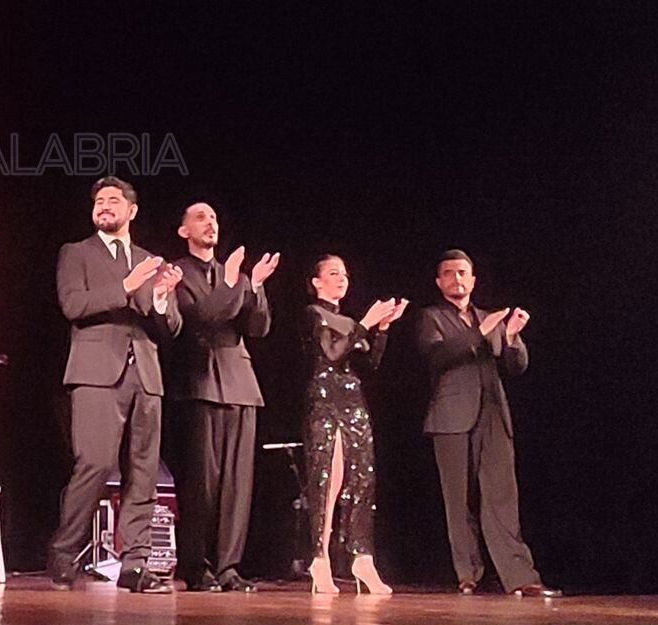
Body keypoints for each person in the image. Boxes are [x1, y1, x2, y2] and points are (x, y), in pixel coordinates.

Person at [47, 177, 182, 593]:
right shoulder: (76, 253)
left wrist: (160, 296)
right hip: (95, 372)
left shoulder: (150, 260)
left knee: (143, 472)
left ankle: (135, 563)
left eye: (113, 200)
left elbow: (171, 326)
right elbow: (74, 305)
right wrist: (126, 286)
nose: (104, 206)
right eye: (99, 201)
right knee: (96, 463)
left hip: (145, 373)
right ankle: (64, 552)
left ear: (132, 211)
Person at [418, 249, 557, 597]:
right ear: (439, 282)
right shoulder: (431, 318)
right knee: (458, 500)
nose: (457, 279)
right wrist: (481, 331)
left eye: (463, 273)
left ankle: (520, 576)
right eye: (449, 273)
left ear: (474, 279)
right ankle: (468, 574)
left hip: (493, 414)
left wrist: (510, 337)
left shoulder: (489, 318)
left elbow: (515, 366)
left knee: (502, 498)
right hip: (451, 417)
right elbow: (439, 355)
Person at [162, 201, 277, 592]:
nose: (210, 223)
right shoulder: (176, 271)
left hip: (241, 384)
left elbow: (258, 328)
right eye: (200, 217)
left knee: (236, 485)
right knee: (200, 484)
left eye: (213, 217)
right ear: (184, 231)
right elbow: (200, 317)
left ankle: (229, 567)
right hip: (198, 384)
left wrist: (255, 286)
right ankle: (196, 567)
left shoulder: (237, 275)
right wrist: (232, 283)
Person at [300, 255, 406, 595]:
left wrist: (383, 328)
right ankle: (319, 558)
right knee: (327, 481)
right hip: (326, 401)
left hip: (354, 403)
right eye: (333, 273)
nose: (341, 278)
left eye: (345, 273)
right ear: (316, 282)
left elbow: (369, 363)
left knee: (362, 480)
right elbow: (331, 354)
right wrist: (364, 323)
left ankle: (363, 558)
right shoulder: (314, 314)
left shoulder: (347, 319)